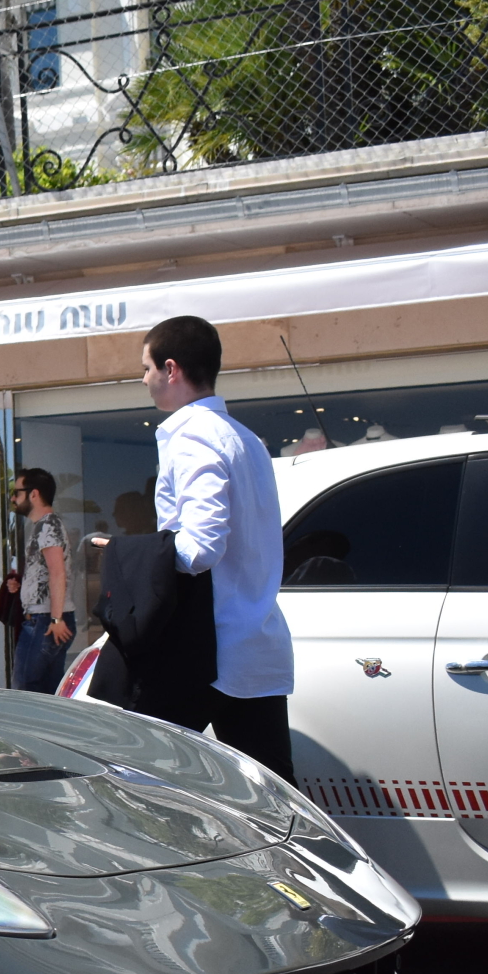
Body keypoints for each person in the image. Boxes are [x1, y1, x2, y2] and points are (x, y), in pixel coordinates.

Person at [136, 314, 296, 778]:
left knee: (146, 781)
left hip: (207, 644)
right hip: (255, 640)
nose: (143, 380)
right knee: (274, 793)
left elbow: (202, 547)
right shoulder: (246, 439)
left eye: (146, 369)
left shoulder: (192, 439)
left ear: (171, 368)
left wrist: (142, 555)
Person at [9, 466, 74, 693]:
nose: (13, 498)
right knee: (46, 690)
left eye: (17, 492)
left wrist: (56, 620)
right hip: (45, 619)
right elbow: (50, 572)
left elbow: (58, 572)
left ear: (33, 494)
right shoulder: (44, 526)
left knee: (27, 689)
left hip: (45, 620)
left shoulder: (48, 525)